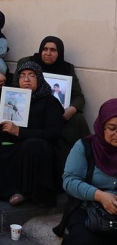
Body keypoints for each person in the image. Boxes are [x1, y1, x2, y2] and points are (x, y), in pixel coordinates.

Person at [0, 61, 64, 207]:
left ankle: (25, 191)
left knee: (32, 146)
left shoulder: (49, 102)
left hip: (36, 145)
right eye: (22, 76)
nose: (26, 79)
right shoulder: (10, 97)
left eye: (31, 75)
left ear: (39, 79)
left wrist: (20, 131)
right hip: (9, 142)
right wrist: (3, 113)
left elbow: (53, 133)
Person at [14, 36, 91, 166]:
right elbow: (16, 88)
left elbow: (79, 96)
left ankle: (85, 159)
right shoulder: (27, 62)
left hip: (59, 113)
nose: (48, 53)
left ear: (59, 52)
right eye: (45, 49)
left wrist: (70, 110)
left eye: (53, 50)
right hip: (33, 109)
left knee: (78, 119)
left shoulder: (67, 68)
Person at [60, 98, 117, 245]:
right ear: (102, 126)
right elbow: (69, 181)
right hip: (86, 208)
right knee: (84, 240)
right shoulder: (85, 147)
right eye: (112, 128)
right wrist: (100, 196)